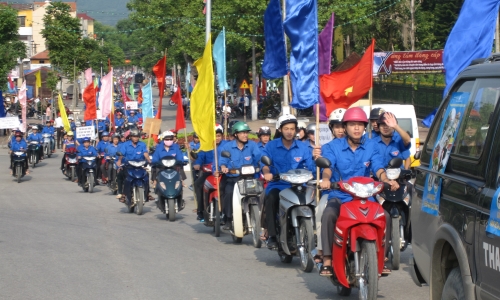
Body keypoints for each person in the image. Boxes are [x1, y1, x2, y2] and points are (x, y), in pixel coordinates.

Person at [317, 107, 398, 276]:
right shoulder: (332, 146)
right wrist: (325, 180)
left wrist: (385, 180)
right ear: (345, 127)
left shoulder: (372, 146)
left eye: (360, 125)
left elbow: (378, 167)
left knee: (386, 217)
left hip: (365, 196)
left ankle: (382, 258)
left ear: (365, 127)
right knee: (329, 215)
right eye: (352, 124)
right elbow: (328, 167)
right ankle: (327, 258)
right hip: (341, 195)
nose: (356, 128)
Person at [261, 114, 319, 248]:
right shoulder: (271, 146)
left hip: (299, 185)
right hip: (279, 185)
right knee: (271, 199)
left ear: (296, 130)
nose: (289, 131)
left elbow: (310, 167)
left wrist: (315, 159)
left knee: (313, 200)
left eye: (292, 129)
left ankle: (312, 230)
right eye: (286, 128)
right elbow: (264, 163)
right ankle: (272, 235)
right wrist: (267, 173)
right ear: (280, 129)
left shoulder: (303, 147)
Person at [217, 121, 261, 229]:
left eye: (246, 133)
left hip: (249, 178)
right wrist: (223, 167)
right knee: (228, 192)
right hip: (233, 179)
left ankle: (259, 217)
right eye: (242, 133)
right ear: (236, 134)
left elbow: (259, 158)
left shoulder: (252, 145)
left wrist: (262, 166)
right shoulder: (227, 147)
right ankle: (228, 218)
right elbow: (223, 161)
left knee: (261, 194)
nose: (245, 135)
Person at [192, 124, 227, 221]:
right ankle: (201, 211)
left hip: (224, 174)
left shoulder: (227, 145)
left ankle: (230, 214)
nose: (217, 138)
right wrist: (197, 164)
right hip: (209, 173)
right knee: (198, 184)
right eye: (215, 135)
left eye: (219, 136)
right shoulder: (206, 145)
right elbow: (200, 157)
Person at [116, 128, 153, 203]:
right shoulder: (125, 145)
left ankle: (147, 193)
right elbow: (121, 154)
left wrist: (149, 160)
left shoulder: (142, 144)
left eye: (137, 136)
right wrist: (119, 161)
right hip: (129, 165)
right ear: (130, 137)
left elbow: (145, 153)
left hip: (140, 165)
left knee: (146, 175)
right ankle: (123, 194)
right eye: (134, 136)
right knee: (121, 174)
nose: (135, 138)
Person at [151, 131, 185, 212]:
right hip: (162, 168)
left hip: (173, 167)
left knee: (180, 168)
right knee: (154, 168)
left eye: (170, 139)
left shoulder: (176, 147)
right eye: (167, 139)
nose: (169, 140)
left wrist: (180, 161)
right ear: (163, 139)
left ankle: (181, 182)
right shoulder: (159, 148)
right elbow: (155, 158)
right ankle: (155, 182)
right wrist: (156, 162)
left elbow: (180, 157)